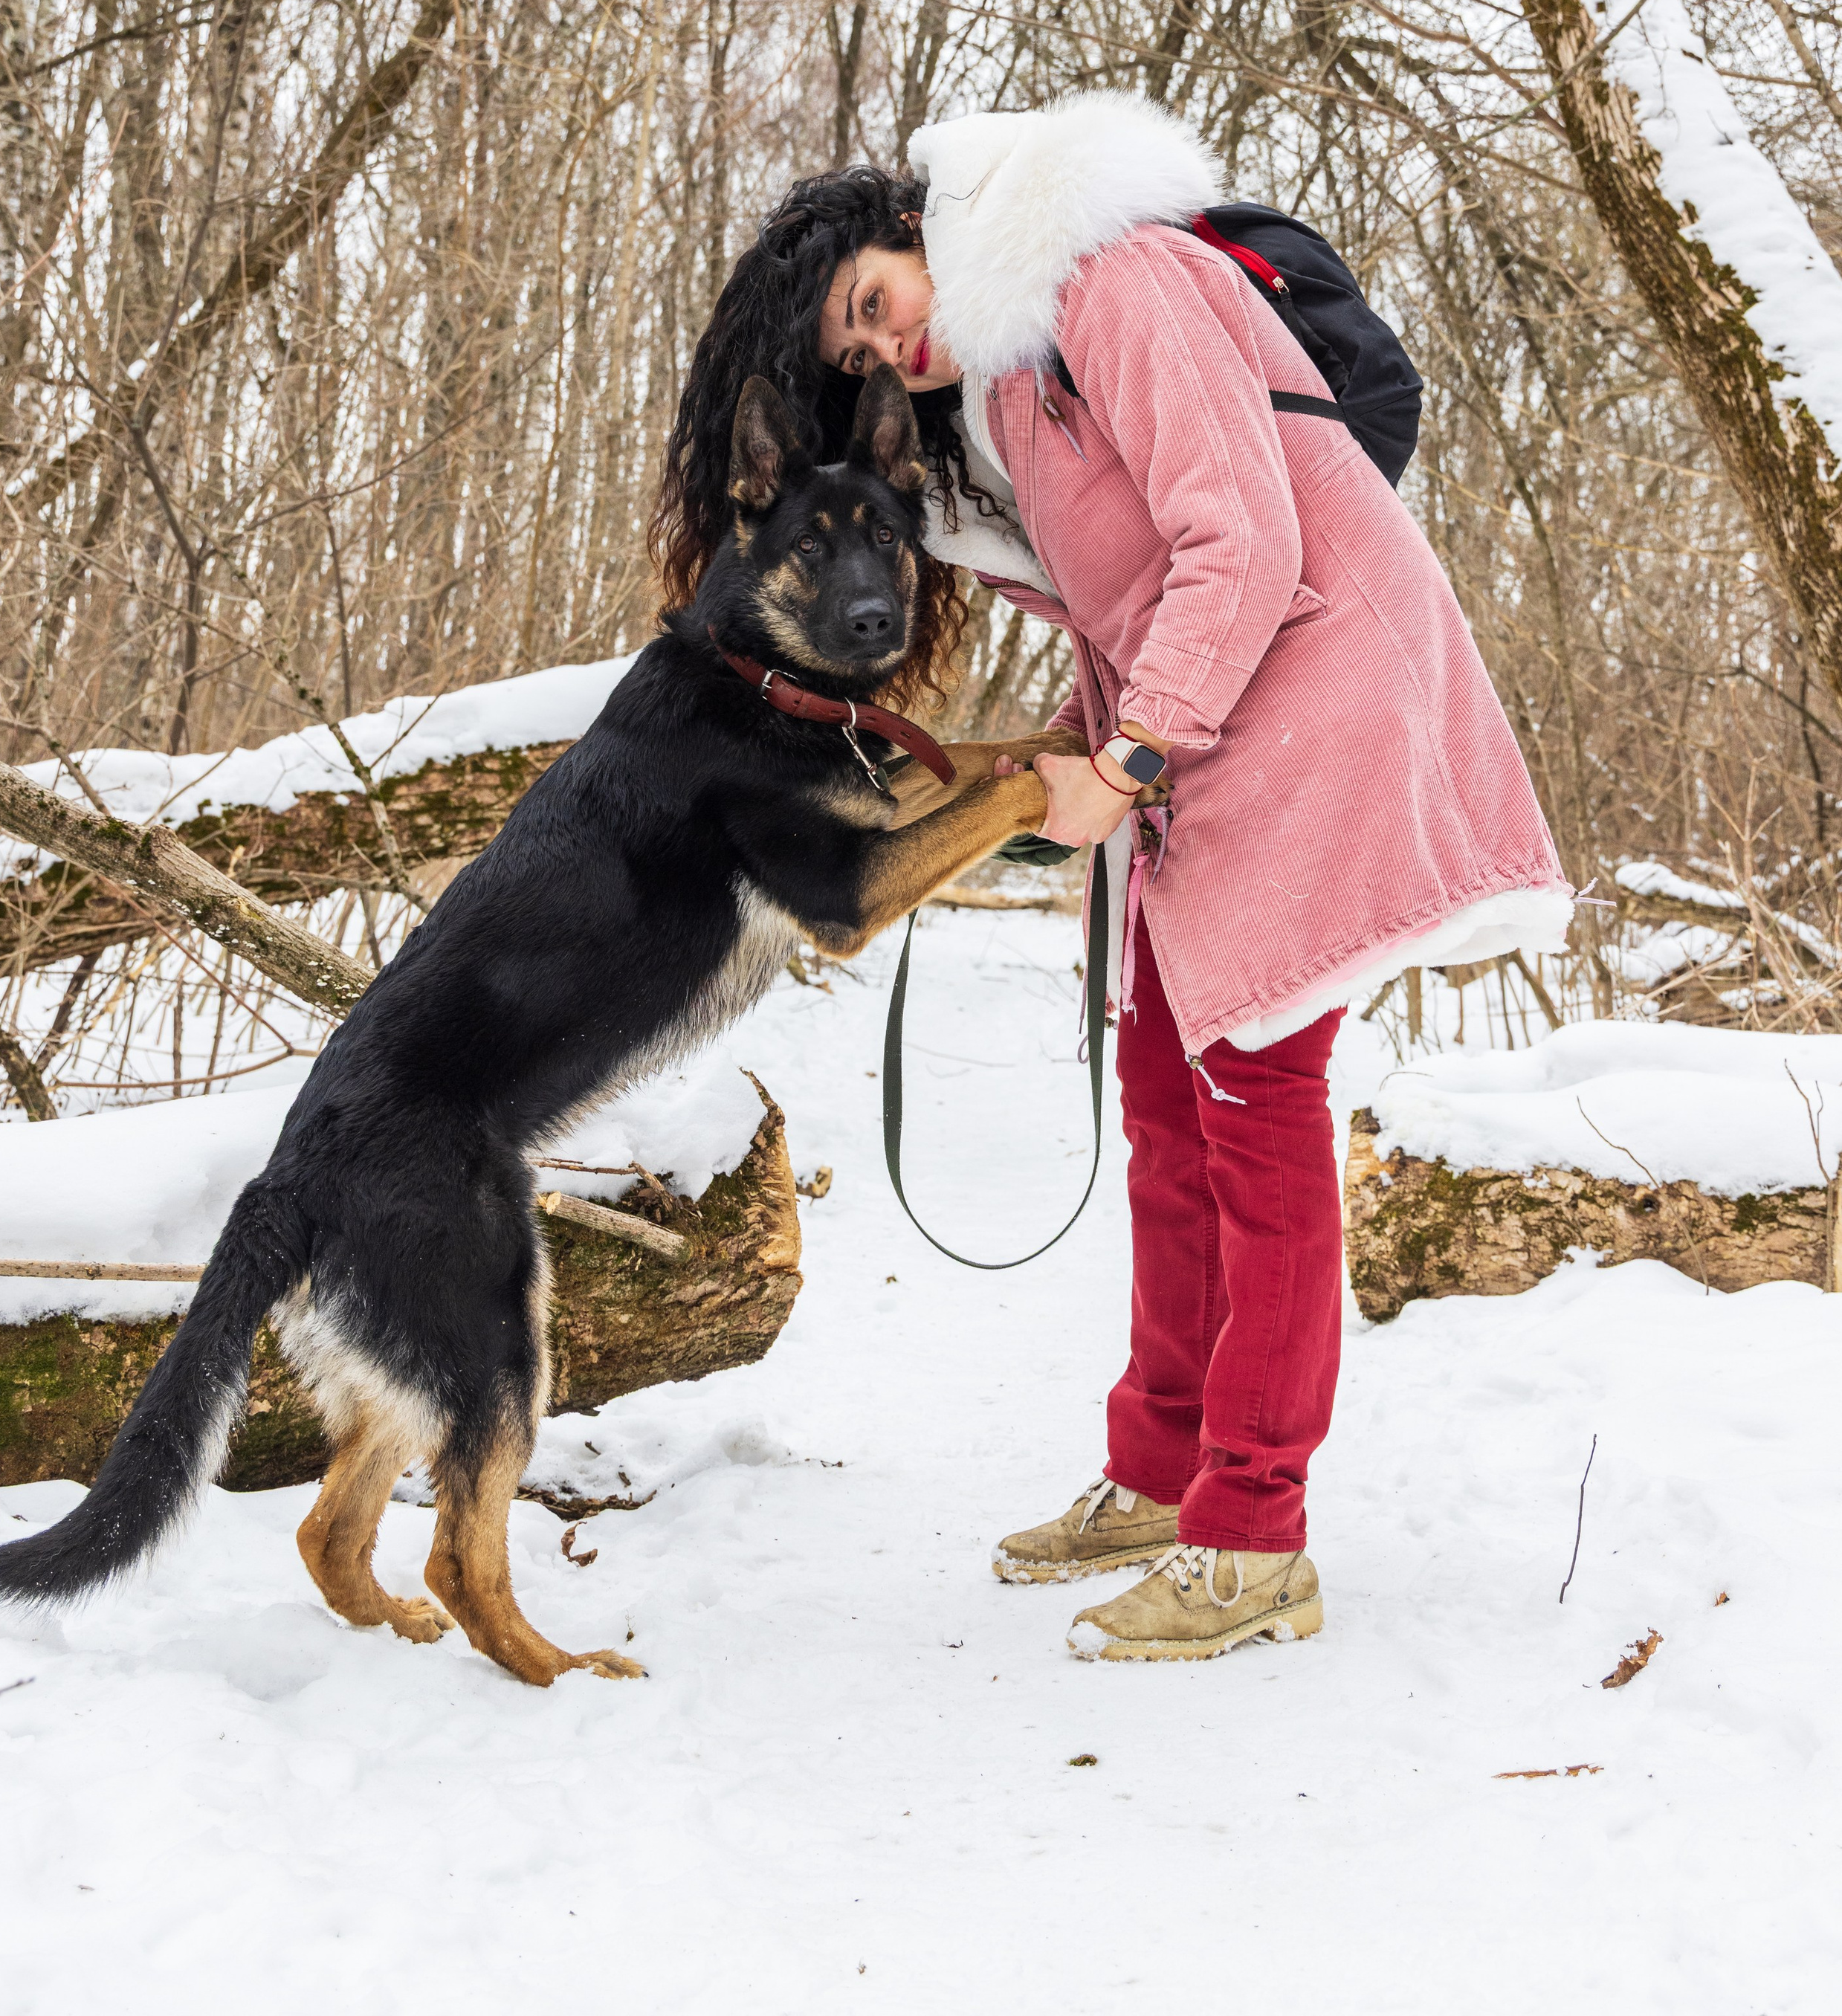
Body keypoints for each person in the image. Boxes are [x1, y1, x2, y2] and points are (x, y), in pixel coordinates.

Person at [653, 87, 1568, 1664]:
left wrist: (1131, 758)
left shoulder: (1111, 280)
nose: (886, 348)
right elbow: (1120, 600)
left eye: (873, 305)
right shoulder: (1016, 388)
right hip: (1208, 736)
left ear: (911, 229)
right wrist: (1069, 757)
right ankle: (1157, 1470)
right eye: (858, 355)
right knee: (1161, 1099)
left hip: (1310, 712)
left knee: (1255, 1112)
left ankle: (1252, 1536)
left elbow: (1242, 546)